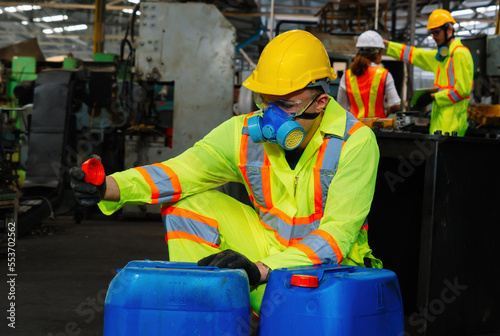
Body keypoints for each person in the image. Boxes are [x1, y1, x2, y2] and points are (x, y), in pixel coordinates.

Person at [70, 30, 381, 315]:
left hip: (330, 273)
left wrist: (260, 269)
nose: (270, 116)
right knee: (186, 203)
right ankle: (209, 311)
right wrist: (110, 186)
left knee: (309, 275)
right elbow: (181, 171)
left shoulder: (355, 143)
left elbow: (337, 235)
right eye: (265, 102)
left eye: (285, 105)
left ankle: (249, 307)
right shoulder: (244, 135)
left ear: (321, 102)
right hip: (266, 253)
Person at [383, 9, 474, 136]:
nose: (434, 37)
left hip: (453, 129)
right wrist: (387, 45)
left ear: (449, 30)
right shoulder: (443, 57)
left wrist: (433, 97)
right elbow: (416, 55)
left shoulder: (460, 54)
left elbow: (462, 90)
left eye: (437, 32)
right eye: (432, 33)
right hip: (440, 126)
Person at [337, 30, 401, 118]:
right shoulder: (384, 74)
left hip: (354, 128)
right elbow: (395, 104)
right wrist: (388, 111)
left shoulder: (347, 75)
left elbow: (341, 107)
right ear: (378, 53)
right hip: (378, 128)